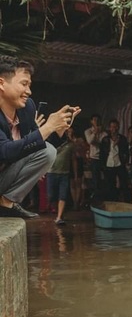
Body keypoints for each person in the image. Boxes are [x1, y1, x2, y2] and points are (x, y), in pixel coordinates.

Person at [0, 56, 79, 218]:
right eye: (24, 84)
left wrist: (58, 130)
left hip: (5, 176)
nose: (29, 91)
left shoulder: (27, 107)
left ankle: (7, 202)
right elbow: (4, 151)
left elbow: (37, 143)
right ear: (1, 83)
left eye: (29, 85)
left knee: (48, 151)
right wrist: (48, 126)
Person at [47, 129, 76, 225]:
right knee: (51, 196)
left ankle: (59, 217)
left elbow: (74, 159)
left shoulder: (70, 145)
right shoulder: (50, 143)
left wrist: (75, 174)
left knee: (62, 195)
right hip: (51, 172)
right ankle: (59, 213)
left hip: (64, 173)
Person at [100, 119, 129, 201]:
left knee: (123, 183)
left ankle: (125, 200)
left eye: (116, 127)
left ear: (118, 127)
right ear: (109, 128)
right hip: (109, 164)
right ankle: (112, 201)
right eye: (112, 127)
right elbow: (102, 153)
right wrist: (103, 165)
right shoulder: (105, 139)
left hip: (120, 163)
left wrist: (125, 161)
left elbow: (126, 152)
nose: (114, 129)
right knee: (110, 185)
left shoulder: (122, 139)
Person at [85, 114, 107, 198]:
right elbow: (90, 141)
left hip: (103, 157)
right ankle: (96, 197)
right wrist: (95, 132)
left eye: (98, 119)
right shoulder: (88, 131)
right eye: (94, 120)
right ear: (91, 121)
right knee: (95, 179)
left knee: (105, 178)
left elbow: (104, 143)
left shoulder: (104, 132)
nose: (96, 121)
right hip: (94, 158)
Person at [69, 127, 88, 210]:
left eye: (70, 130)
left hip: (78, 161)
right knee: (72, 183)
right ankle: (74, 202)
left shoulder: (79, 140)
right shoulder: (66, 141)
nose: (69, 132)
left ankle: (77, 201)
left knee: (78, 182)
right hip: (69, 162)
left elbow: (84, 149)